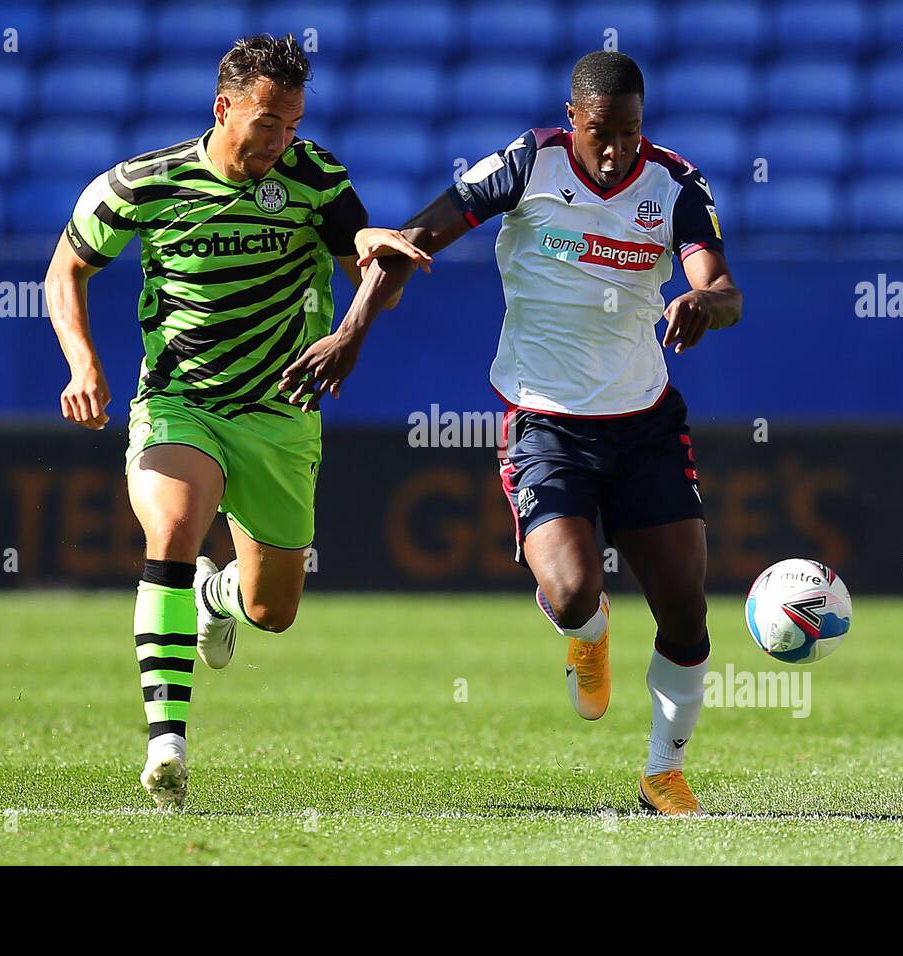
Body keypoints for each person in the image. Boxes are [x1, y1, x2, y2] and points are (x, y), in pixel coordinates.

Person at [280, 50, 742, 815]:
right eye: (603, 132)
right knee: (569, 593)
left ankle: (664, 772)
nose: (618, 148)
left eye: (630, 132)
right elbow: (411, 238)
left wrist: (703, 306)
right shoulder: (527, 165)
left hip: (645, 426)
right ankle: (586, 633)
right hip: (546, 423)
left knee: (686, 611)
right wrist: (352, 333)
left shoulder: (675, 184)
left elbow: (723, 288)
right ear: (573, 119)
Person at [45, 34, 429, 808]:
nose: (279, 140)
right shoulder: (142, 183)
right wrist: (83, 365)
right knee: (174, 528)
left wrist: (375, 258)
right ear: (224, 109)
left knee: (272, 611)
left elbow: (360, 253)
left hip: (281, 415)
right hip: (181, 401)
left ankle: (215, 602)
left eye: (290, 124)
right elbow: (69, 267)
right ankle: (167, 746)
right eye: (266, 123)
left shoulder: (314, 176)